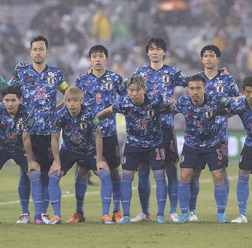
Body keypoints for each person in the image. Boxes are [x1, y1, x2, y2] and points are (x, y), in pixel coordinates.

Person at [96, 75, 174, 224]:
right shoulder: (123, 102)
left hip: (154, 144)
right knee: (126, 179)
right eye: (131, 90)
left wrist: (187, 106)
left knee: (159, 177)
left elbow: (173, 103)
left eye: (137, 90)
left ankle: (160, 215)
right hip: (133, 145)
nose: (134, 93)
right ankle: (126, 216)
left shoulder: (155, 99)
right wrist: (92, 121)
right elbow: (108, 111)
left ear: (144, 90)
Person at [11, 35, 68, 224]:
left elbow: (68, 95)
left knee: (44, 172)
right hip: (27, 132)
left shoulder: (56, 74)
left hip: (49, 133)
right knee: (25, 172)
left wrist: (56, 111)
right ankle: (25, 213)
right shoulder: (21, 73)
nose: (38, 52)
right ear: (30, 52)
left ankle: (42, 212)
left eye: (41, 49)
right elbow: (11, 96)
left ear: (47, 52)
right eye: (35, 49)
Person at [130, 37, 188, 223]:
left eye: (158, 49)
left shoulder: (172, 72)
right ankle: (145, 212)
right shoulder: (139, 72)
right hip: (144, 130)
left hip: (165, 127)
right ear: (147, 52)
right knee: (143, 170)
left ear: (164, 52)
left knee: (171, 169)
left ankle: (172, 211)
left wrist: (216, 73)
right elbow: (125, 90)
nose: (154, 52)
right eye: (151, 49)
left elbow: (195, 84)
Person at [67, 45, 126, 223]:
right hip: (88, 135)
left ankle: (116, 211)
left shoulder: (115, 78)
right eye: (94, 56)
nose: (98, 59)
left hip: (109, 133)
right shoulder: (82, 79)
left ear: (106, 59)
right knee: (82, 170)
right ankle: (79, 212)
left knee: (115, 170)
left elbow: (125, 97)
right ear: (90, 59)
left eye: (101, 56)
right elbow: (76, 102)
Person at [188, 45, 241, 222]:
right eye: (205, 56)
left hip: (219, 135)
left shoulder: (227, 79)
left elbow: (238, 101)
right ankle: (191, 211)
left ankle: (221, 212)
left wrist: (224, 113)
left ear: (218, 59)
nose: (208, 59)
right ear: (202, 59)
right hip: (196, 135)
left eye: (212, 55)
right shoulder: (196, 79)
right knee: (194, 172)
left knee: (220, 172)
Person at [48, 87, 113, 224]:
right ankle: (56, 216)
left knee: (105, 174)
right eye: (69, 100)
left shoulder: (90, 114)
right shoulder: (59, 115)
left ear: (81, 101)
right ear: (65, 101)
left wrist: (100, 160)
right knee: (54, 176)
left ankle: (105, 215)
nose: (72, 104)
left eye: (75, 100)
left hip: (89, 150)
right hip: (69, 151)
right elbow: (54, 138)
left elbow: (98, 137)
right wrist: (57, 162)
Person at [173, 75, 231, 223]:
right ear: (187, 90)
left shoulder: (215, 99)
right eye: (191, 88)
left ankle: (221, 214)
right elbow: (168, 108)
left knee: (218, 175)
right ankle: (186, 213)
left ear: (205, 89)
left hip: (212, 143)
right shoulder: (183, 102)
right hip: (191, 144)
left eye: (198, 88)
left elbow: (232, 103)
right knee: (186, 175)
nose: (195, 92)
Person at [0, 85, 44, 224]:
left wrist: (30, 161)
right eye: (7, 100)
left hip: (20, 149)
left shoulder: (28, 113)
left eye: (13, 100)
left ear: (20, 100)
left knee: (35, 174)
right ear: (3, 100)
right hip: (2, 148)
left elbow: (26, 138)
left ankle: (36, 216)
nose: (10, 103)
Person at [230, 77, 252, 223]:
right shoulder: (240, 103)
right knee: (243, 173)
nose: (251, 96)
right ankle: (242, 215)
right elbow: (221, 106)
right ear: (243, 92)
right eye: (248, 92)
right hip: (250, 144)